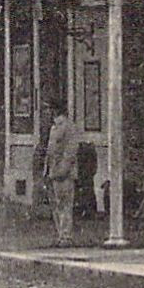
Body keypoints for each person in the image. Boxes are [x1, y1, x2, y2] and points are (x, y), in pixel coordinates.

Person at [43, 97, 81, 246]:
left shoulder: (68, 127)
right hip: (53, 171)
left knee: (65, 204)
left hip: (63, 173)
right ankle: (60, 235)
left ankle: (66, 236)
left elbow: (70, 151)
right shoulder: (54, 127)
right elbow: (50, 151)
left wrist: (62, 170)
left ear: (55, 110)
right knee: (57, 205)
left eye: (49, 109)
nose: (47, 112)